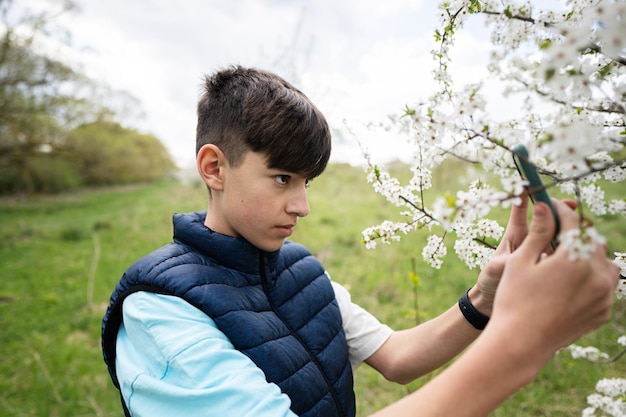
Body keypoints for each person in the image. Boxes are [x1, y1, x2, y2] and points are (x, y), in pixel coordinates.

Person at [101, 65, 620, 417]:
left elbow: (395, 356)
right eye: (282, 178)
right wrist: (520, 343)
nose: (302, 205)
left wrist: (487, 297)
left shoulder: (300, 269)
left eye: (307, 182)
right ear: (215, 167)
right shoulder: (159, 313)